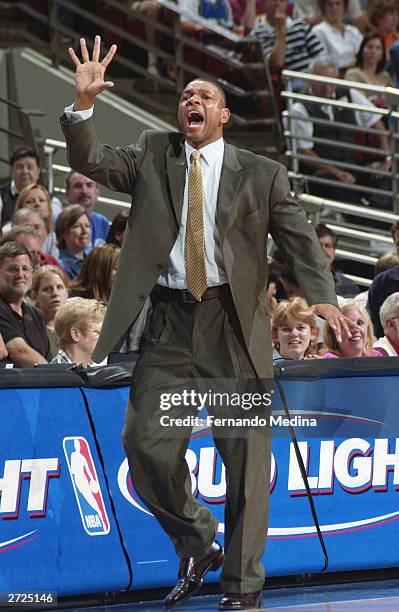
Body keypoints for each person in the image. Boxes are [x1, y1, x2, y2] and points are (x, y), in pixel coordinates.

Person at [61, 35, 346, 611]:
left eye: (205, 94)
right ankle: (197, 539)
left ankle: (242, 590)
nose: (192, 98)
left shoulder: (261, 173)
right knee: (142, 444)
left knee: (244, 461)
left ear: (224, 113)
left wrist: (323, 297)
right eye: (186, 94)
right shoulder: (152, 152)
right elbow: (90, 160)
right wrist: (84, 107)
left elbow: (298, 240)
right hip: (168, 324)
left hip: (233, 330)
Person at [290, 56, 391, 206]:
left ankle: (378, 211)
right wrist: (337, 172)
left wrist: (386, 159)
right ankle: (364, 217)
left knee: (387, 173)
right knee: (328, 179)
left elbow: (376, 122)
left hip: (351, 165)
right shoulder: (300, 108)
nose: (327, 88)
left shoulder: (349, 94)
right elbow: (304, 152)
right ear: (311, 80)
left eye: (332, 82)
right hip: (322, 172)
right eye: (322, 82)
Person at [0, 242, 51, 366]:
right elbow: (20, 352)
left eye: (25, 269)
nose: (20, 275)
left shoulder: (36, 314)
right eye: (13, 269)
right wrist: (55, 376)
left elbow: (47, 357)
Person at [247, 0, 325, 73]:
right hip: (284, 83)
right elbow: (276, 64)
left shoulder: (300, 25)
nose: (277, 4)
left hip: (310, 79)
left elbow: (321, 56)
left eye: (282, 0)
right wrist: (281, 31)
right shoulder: (257, 33)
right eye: (272, 0)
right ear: (263, 3)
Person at [0, 146, 62, 225]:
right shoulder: (1, 196)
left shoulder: (52, 201)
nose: (25, 171)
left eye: (30, 167)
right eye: (19, 167)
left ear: (38, 171)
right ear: (11, 171)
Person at [52, 297, 105, 364]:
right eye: (97, 333)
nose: (104, 339)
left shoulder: (107, 366)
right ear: (75, 334)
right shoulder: (56, 373)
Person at [313, 0, 363, 73]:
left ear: (344, 7)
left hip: (357, 72)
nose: (334, 7)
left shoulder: (353, 31)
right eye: (330, 4)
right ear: (323, 8)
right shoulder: (318, 31)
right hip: (333, 75)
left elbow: (362, 52)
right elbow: (322, 61)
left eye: (338, 3)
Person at [30, 265, 69, 357]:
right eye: (47, 289)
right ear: (34, 297)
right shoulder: (31, 330)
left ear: (67, 293)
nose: (55, 293)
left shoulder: (77, 327)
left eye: (59, 287)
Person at [65, 171, 110, 246]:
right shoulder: (56, 221)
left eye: (89, 185)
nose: (84, 191)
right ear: (67, 194)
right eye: (78, 186)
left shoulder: (102, 222)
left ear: (97, 192)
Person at [345, 33, 392, 105]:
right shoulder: (352, 74)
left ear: (382, 54)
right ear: (362, 50)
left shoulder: (385, 75)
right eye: (369, 47)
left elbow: (392, 99)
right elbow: (355, 99)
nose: (373, 51)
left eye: (378, 48)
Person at [315, 223, 359, 297]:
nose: (323, 250)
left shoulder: (349, 286)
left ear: (334, 251)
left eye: (327, 246)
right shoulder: (298, 282)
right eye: (318, 245)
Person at [55, 204, 91, 278]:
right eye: (77, 226)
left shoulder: (94, 262)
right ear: (64, 233)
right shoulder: (58, 267)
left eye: (87, 226)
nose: (85, 231)